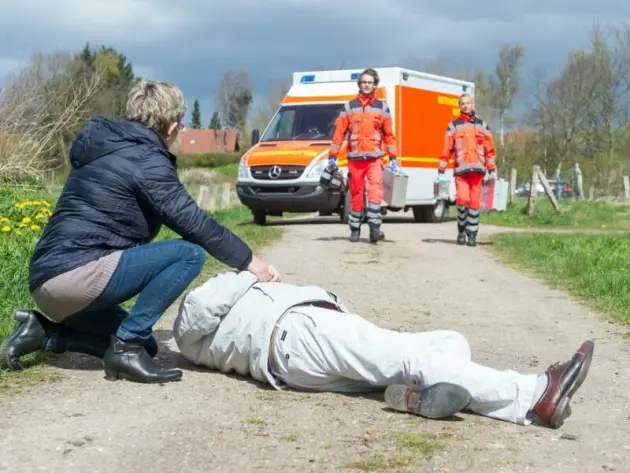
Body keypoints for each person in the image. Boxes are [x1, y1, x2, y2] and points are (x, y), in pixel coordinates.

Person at [0, 81, 280, 384]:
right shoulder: (146, 160)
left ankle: (45, 334)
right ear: (172, 127)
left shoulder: (103, 145)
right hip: (77, 279)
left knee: (147, 346)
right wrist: (251, 262)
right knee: (189, 254)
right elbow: (194, 222)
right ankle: (127, 346)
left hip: (45, 284)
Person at [173, 270, 594, 429]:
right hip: (298, 335)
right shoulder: (197, 304)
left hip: (299, 357)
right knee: (413, 358)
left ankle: (415, 396)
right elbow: (201, 309)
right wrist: (250, 270)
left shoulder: (206, 340)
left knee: (449, 343)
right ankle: (536, 393)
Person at [328, 68, 398, 244]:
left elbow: (389, 135)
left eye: (370, 82)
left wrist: (393, 157)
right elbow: (339, 133)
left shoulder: (382, 108)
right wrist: (332, 155)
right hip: (355, 159)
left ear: (375, 85)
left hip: (375, 158)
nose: (367, 85)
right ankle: (355, 229)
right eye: (364, 82)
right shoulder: (349, 107)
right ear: (359, 84)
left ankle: (375, 229)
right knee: (357, 193)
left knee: (375, 192)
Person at [438, 93, 497, 247]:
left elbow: (489, 149)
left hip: (477, 172)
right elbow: (446, 148)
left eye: (468, 103)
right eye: (463, 103)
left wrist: (491, 167)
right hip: (461, 172)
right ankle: (461, 230)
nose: (465, 106)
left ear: (473, 105)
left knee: (475, 204)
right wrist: (442, 168)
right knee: (462, 200)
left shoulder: (482, 125)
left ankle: (472, 235)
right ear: (460, 106)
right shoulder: (453, 126)